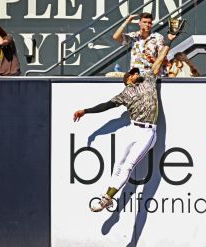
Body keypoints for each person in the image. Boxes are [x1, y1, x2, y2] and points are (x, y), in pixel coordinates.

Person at [73, 33, 178, 213]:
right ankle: (107, 196)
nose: (136, 73)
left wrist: (169, 39)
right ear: (127, 78)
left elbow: (160, 58)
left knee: (128, 165)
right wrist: (86, 111)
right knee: (119, 164)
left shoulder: (149, 80)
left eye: (136, 72)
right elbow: (106, 106)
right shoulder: (124, 94)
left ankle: (107, 198)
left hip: (147, 132)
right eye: (133, 73)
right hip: (133, 128)